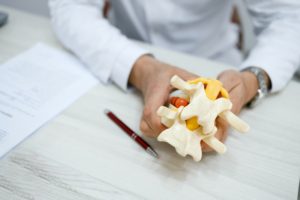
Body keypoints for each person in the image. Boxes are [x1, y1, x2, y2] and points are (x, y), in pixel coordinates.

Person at [49, 0, 300, 151]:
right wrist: (139, 68)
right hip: (122, 55)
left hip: (218, 61)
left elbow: (289, 19)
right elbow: (71, 7)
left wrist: (252, 79)